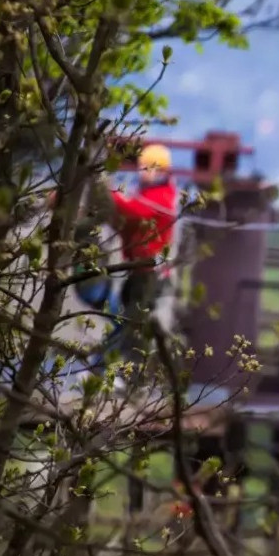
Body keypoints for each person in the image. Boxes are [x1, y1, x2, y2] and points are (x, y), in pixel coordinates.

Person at [104, 143, 178, 386]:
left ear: (161, 171)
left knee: (136, 323)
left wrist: (108, 192)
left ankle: (132, 379)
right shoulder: (147, 193)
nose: (143, 172)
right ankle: (123, 373)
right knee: (129, 318)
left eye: (148, 168)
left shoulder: (162, 197)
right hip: (138, 270)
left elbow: (135, 212)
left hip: (150, 273)